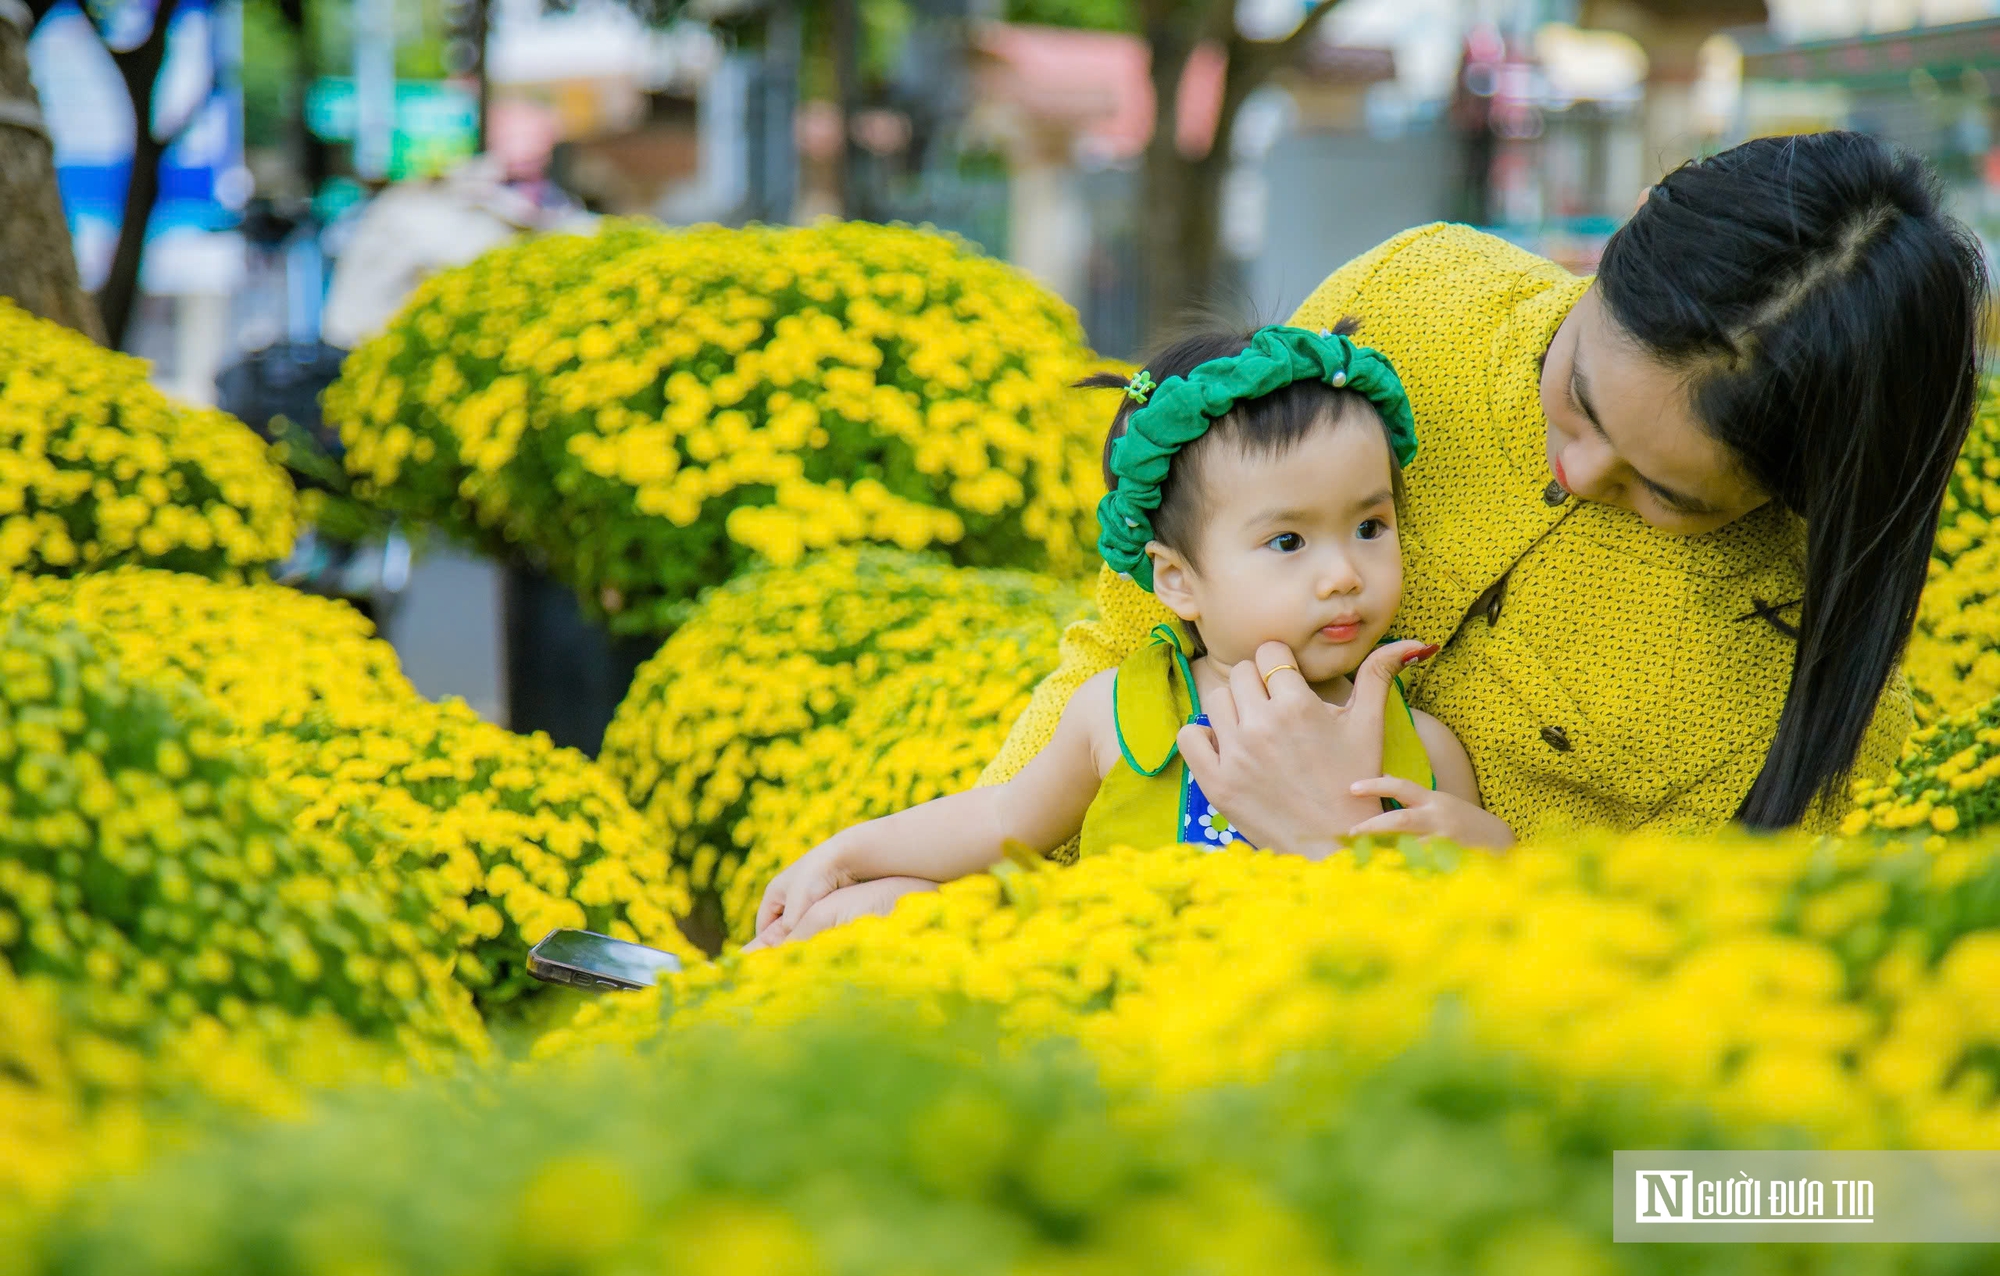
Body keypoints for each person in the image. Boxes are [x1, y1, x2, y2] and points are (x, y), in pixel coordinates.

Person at [763, 130, 1987, 947]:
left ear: (1791, 496)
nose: (1573, 472)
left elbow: (1690, 995)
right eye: (1575, 393)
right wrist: (954, 880)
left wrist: (1435, 875)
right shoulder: (1412, 301)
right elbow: (1127, 635)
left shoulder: (1793, 698)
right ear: (1607, 259)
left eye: (1667, 495)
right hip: (1097, 926)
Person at [751, 323, 1514, 946]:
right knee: (860, 912)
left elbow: (1466, 931)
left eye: (1370, 526)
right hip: (1110, 979)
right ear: (1177, 580)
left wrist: (1487, 850)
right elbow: (1001, 820)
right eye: (1289, 542)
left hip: (1296, 1012)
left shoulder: (1418, 747)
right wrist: (845, 855)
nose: (1344, 573)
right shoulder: (1123, 709)